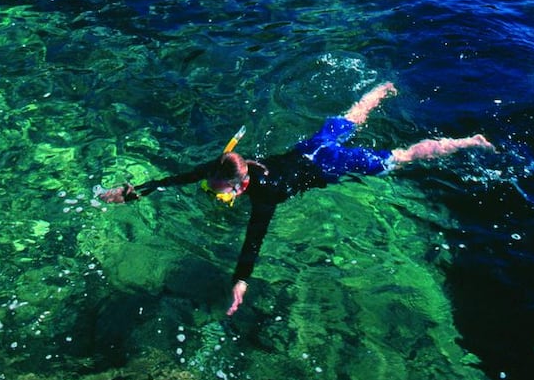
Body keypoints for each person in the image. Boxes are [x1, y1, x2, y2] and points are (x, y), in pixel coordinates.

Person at [96, 82, 494, 316]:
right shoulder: (223, 167)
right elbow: (177, 178)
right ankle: (383, 88)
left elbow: (254, 240)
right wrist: (133, 192)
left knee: (401, 158)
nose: (211, 190)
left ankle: (467, 142)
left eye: (217, 191)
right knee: (352, 116)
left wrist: (240, 281)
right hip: (311, 147)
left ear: (240, 186)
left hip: (331, 165)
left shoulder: (263, 196)